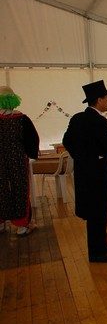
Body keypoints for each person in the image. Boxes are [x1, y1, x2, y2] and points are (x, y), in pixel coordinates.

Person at [63, 80, 107, 263]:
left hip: (84, 170)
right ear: (99, 100)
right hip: (97, 171)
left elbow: (67, 141)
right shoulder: (99, 121)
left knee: (95, 209)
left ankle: (101, 244)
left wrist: (82, 157)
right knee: (99, 208)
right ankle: (96, 251)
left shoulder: (77, 118)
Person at [0, 86, 40, 236]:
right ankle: (21, 226)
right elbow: (33, 139)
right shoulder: (22, 119)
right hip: (18, 161)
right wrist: (32, 155)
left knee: (1, 190)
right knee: (20, 190)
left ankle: (1, 223)